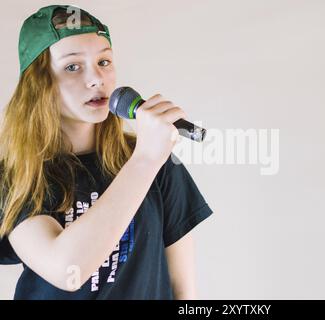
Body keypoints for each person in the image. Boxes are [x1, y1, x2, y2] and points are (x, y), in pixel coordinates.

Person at [0, 4, 214, 299]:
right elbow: (66, 268)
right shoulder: (17, 174)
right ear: (39, 84)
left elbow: (183, 289)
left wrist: (150, 157)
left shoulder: (159, 161)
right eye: (72, 66)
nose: (96, 79)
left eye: (104, 61)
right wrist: (146, 159)